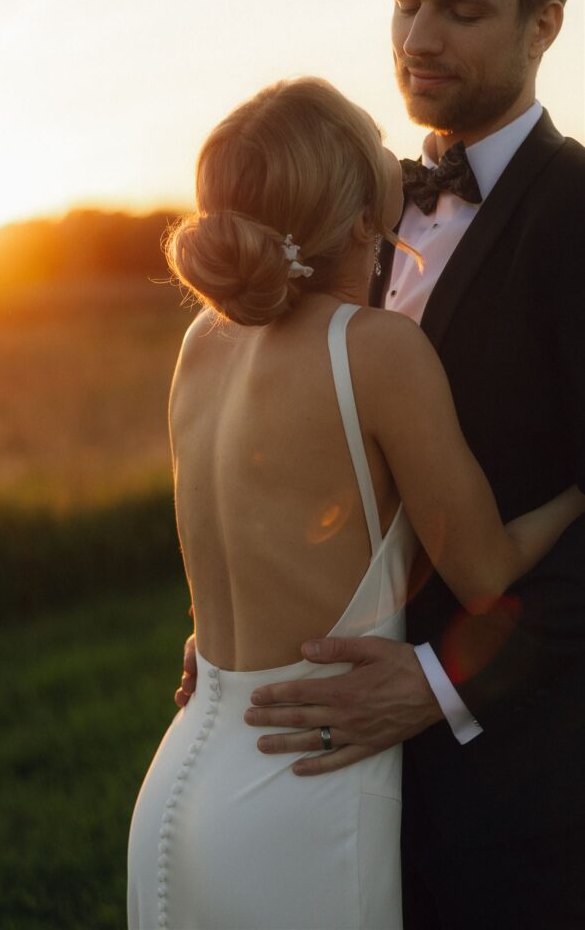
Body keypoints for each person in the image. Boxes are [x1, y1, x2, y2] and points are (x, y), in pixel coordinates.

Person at [127, 76, 584, 929]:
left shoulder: (202, 342)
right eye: (374, 142)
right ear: (359, 219)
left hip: (181, 778)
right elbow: (484, 573)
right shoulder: (378, 351)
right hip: (302, 790)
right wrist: (570, 497)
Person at [229, 0, 585, 927]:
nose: (416, 39)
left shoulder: (574, 213)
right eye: (404, 3)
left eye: (459, 12)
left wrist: (442, 682)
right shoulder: (352, 202)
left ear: (542, 25)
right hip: (331, 773)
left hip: (518, 791)